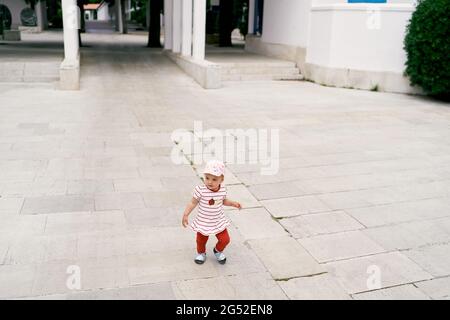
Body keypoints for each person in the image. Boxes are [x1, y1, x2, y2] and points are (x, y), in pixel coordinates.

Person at [182, 160, 242, 265]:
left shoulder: (222, 190)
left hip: (218, 220)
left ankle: (218, 250)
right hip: (203, 221)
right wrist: (186, 214)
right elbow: (192, 202)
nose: (210, 182)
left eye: (214, 179)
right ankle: (201, 253)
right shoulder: (200, 190)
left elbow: (223, 201)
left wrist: (233, 203)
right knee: (201, 240)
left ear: (221, 179)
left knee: (225, 239)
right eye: (207, 178)